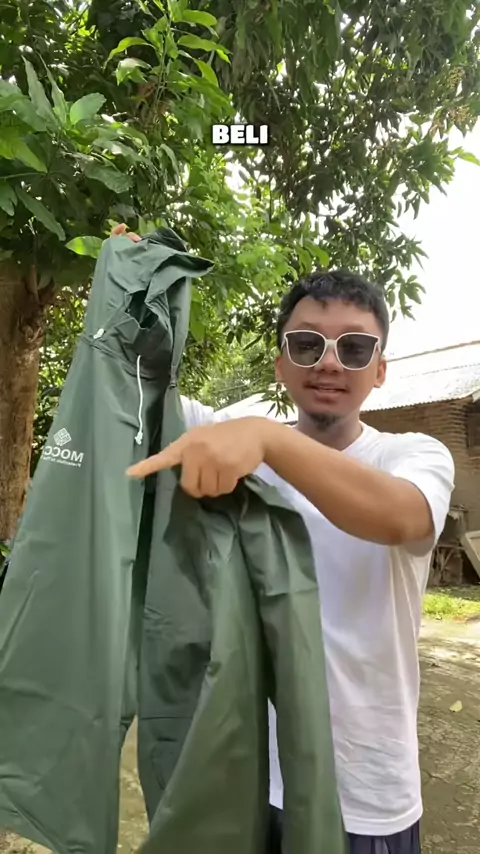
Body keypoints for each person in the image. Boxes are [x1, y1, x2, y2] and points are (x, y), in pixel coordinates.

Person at [115, 225, 455, 853]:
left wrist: (268, 439)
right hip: (255, 775)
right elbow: (136, 394)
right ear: (281, 364)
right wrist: (130, 281)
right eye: (307, 344)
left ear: (380, 370)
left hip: (366, 787)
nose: (329, 361)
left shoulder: (413, 453)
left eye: (355, 348)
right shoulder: (235, 434)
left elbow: (403, 517)